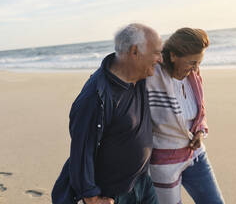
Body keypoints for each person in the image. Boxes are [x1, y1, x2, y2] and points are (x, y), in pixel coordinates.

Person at [51, 23, 163, 204]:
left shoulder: (140, 77)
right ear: (135, 52)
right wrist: (91, 197)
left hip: (141, 182)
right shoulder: (96, 97)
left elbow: (178, 56)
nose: (160, 59)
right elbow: (81, 149)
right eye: (157, 53)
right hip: (111, 194)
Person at [146, 28, 225, 204]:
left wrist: (200, 131)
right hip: (165, 163)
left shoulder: (194, 76)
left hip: (195, 155)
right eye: (192, 62)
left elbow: (199, 111)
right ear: (173, 56)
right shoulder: (151, 76)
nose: (196, 68)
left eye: (199, 63)